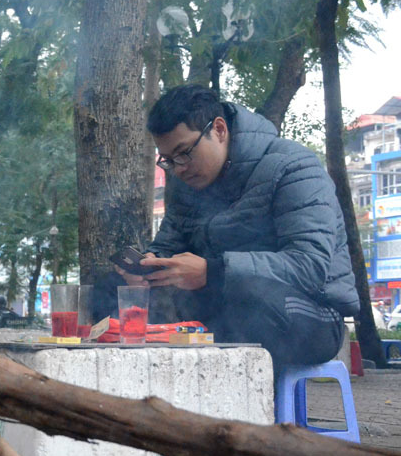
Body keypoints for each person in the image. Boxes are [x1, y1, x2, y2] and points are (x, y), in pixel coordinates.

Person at [116, 84, 359, 374]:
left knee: (249, 301)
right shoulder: (188, 187)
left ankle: (251, 410)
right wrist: (147, 267)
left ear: (219, 130)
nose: (179, 168)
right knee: (110, 294)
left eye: (184, 153)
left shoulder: (293, 167)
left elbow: (308, 266)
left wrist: (212, 271)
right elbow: (168, 245)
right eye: (168, 160)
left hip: (312, 315)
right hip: (226, 310)